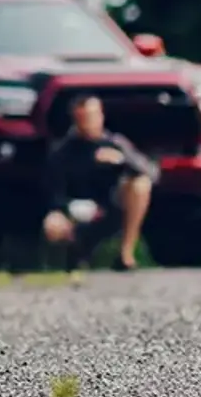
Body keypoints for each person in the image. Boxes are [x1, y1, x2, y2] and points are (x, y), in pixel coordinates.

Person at [42, 94, 158, 271]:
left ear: (101, 116)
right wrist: (70, 208)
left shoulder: (115, 143)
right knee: (52, 224)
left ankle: (126, 254)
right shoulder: (62, 152)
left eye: (91, 116)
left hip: (114, 208)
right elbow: (53, 192)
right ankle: (68, 259)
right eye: (82, 118)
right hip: (78, 211)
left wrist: (122, 160)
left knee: (140, 184)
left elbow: (152, 173)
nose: (87, 123)